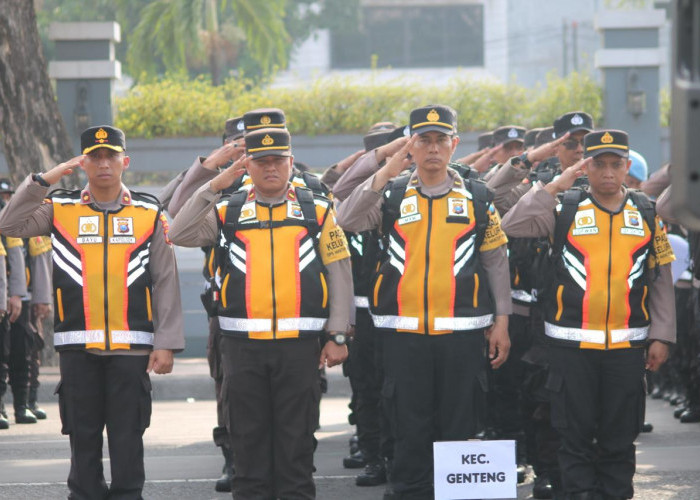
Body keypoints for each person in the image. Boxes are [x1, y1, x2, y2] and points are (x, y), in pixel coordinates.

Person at [336, 104, 512, 499]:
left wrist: (501, 322)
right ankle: (410, 491)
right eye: (423, 140)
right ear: (410, 145)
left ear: (454, 144)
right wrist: (385, 171)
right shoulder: (392, 195)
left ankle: (454, 493)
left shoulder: (478, 198)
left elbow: (496, 262)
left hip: (463, 334)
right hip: (403, 334)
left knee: (459, 423)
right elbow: (345, 219)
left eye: (440, 140)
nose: (433, 149)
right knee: (407, 422)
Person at [0, 125, 185, 499]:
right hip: (77, 349)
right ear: (83, 163)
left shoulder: (149, 212)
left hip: (132, 349)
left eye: (111, 156)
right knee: (83, 440)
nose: (104, 164)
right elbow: (9, 223)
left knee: (127, 438)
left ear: (124, 162)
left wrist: (166, 342)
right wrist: (45, 179)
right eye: (95, 157)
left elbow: (166, 281)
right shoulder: (60, 208)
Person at [168, 126, 352, 499]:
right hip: (241, 346)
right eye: (261, 162)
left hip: (300, 347)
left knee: (296, 443)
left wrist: (337, 334)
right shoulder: (228, 210)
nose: (271, 169)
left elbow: (340, 272)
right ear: (247, 165)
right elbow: (180, 231)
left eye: (278, 161)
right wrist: (213, 185)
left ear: (290, 162)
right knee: (247, 444)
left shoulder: (317, 210)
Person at [501, 130, 676, 500]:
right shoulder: (565, 207)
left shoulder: (646, 212)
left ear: (627, 167)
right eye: (599, 164)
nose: (608, 172)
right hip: (570, 348)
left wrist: (662, 335)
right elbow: (512, 224)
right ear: (586, 167)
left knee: (619, 435)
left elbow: (661, 279)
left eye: (616, 164)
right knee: (573, 435)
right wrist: (554, 186)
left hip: (627, 349)